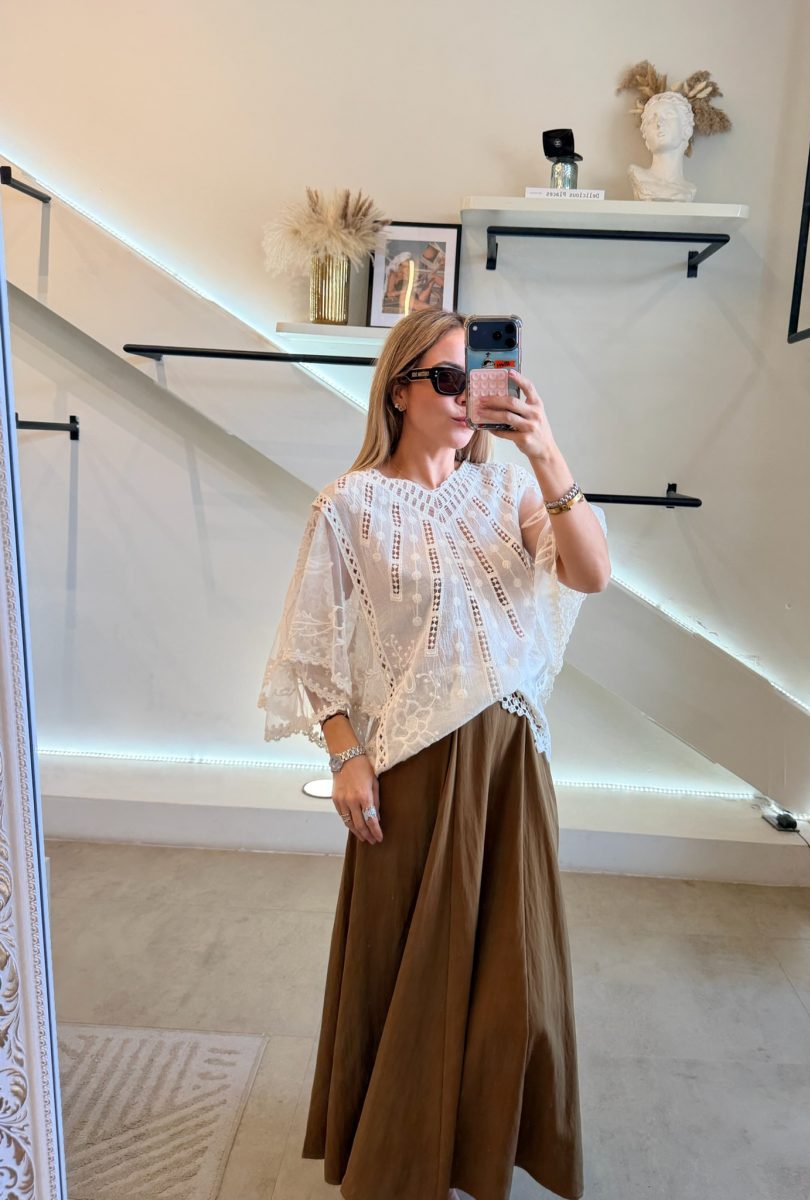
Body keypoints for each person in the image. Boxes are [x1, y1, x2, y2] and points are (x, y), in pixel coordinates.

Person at [257, 309, 610, 1200]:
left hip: (508, 766)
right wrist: (345, 755)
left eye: (478, 379)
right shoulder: (348, 504)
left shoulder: (506, 491)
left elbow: (590, 573)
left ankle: (479, 1152)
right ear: (399, 390)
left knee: (511, 982)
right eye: (447, 379)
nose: (465, 396)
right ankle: (398, 1158)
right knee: (408, 972)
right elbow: (313, 648)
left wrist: (546, 453)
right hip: (411, 766)